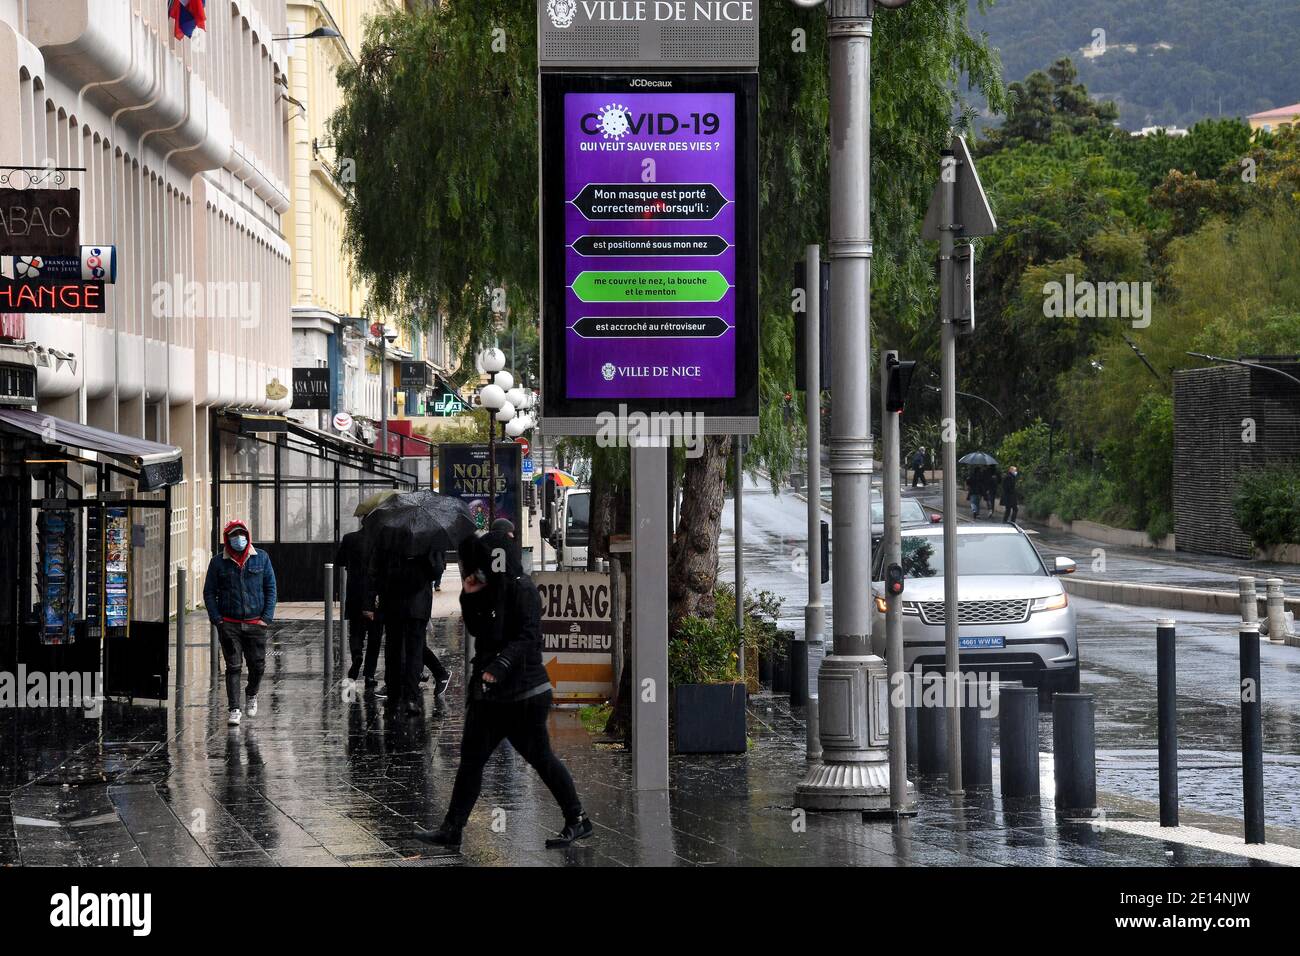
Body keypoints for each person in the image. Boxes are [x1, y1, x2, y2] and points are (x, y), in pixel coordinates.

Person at [419, 531, 592, 851]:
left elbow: (527, 638)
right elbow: (479, 630)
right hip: (491, 697)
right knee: (471, 761)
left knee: (541, 758)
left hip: (524, 694)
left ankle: (577, 818)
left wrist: (499, 666)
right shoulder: (493, 589)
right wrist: (469, 596)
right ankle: (452, 828)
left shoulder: (522, 589)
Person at [204, 519, 277, 727]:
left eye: (241, 533)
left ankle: (251, 693)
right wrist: (217, 619)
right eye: (234, 535)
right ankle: (234, 708)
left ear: (247, 535)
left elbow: (270, 588)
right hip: (229, 624)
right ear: (227, 539)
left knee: (258, 666)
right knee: (233, 666)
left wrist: (266, 618)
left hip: (256, 623)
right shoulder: (218, 562)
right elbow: (209, 592)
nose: (238, 538)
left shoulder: (261, 558)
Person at [366, 545, 451, 714]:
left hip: (392, 601)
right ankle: (411, 698)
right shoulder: (427, 538)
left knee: (393, 648)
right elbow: (437, 570)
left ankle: (394, 695)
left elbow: (374, 570)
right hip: (417, 602)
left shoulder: (387, 535)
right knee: (415, 650)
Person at [337, 529, 382, 688]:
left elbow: (339, 560)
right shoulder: (381, 539)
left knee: (356, 631)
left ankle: (356, 654)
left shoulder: (350, 538)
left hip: (355, 592)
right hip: (375, 593)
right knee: (374, 638)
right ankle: (369, 675)